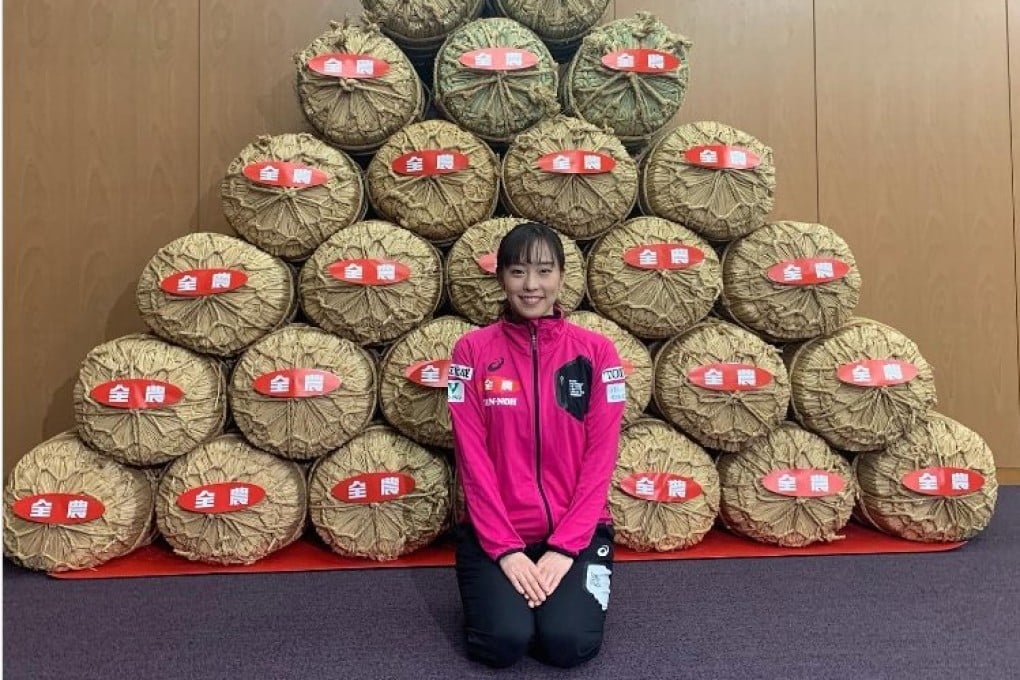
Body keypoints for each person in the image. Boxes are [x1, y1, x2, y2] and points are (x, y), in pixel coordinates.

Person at [447, 221, 627, 668]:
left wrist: (566, 548)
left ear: (562, 277)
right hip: (495, 532)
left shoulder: (598, 354)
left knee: (568, 645)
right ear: (501, 277)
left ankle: (549, 598)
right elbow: (472, 460)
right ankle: (507, 597)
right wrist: (506, 551)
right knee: (501, 644)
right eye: (518, 272)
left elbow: (600, 460)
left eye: (544, 271)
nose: (531, 286)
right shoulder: (469, 352)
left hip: (576, 532)